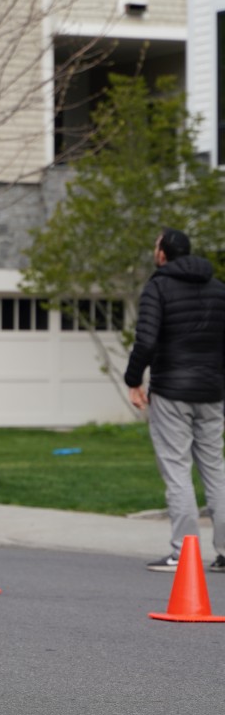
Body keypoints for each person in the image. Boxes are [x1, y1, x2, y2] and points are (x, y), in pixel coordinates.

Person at [124, 227, 225, 574]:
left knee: (177, 469)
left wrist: (133, 380)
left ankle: (184, 552)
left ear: (163, 253)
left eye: (156, 246)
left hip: (171, 391)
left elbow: (146, 340)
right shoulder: (218, 289)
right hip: (212, 392)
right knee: (216, 469)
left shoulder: (158, 287)